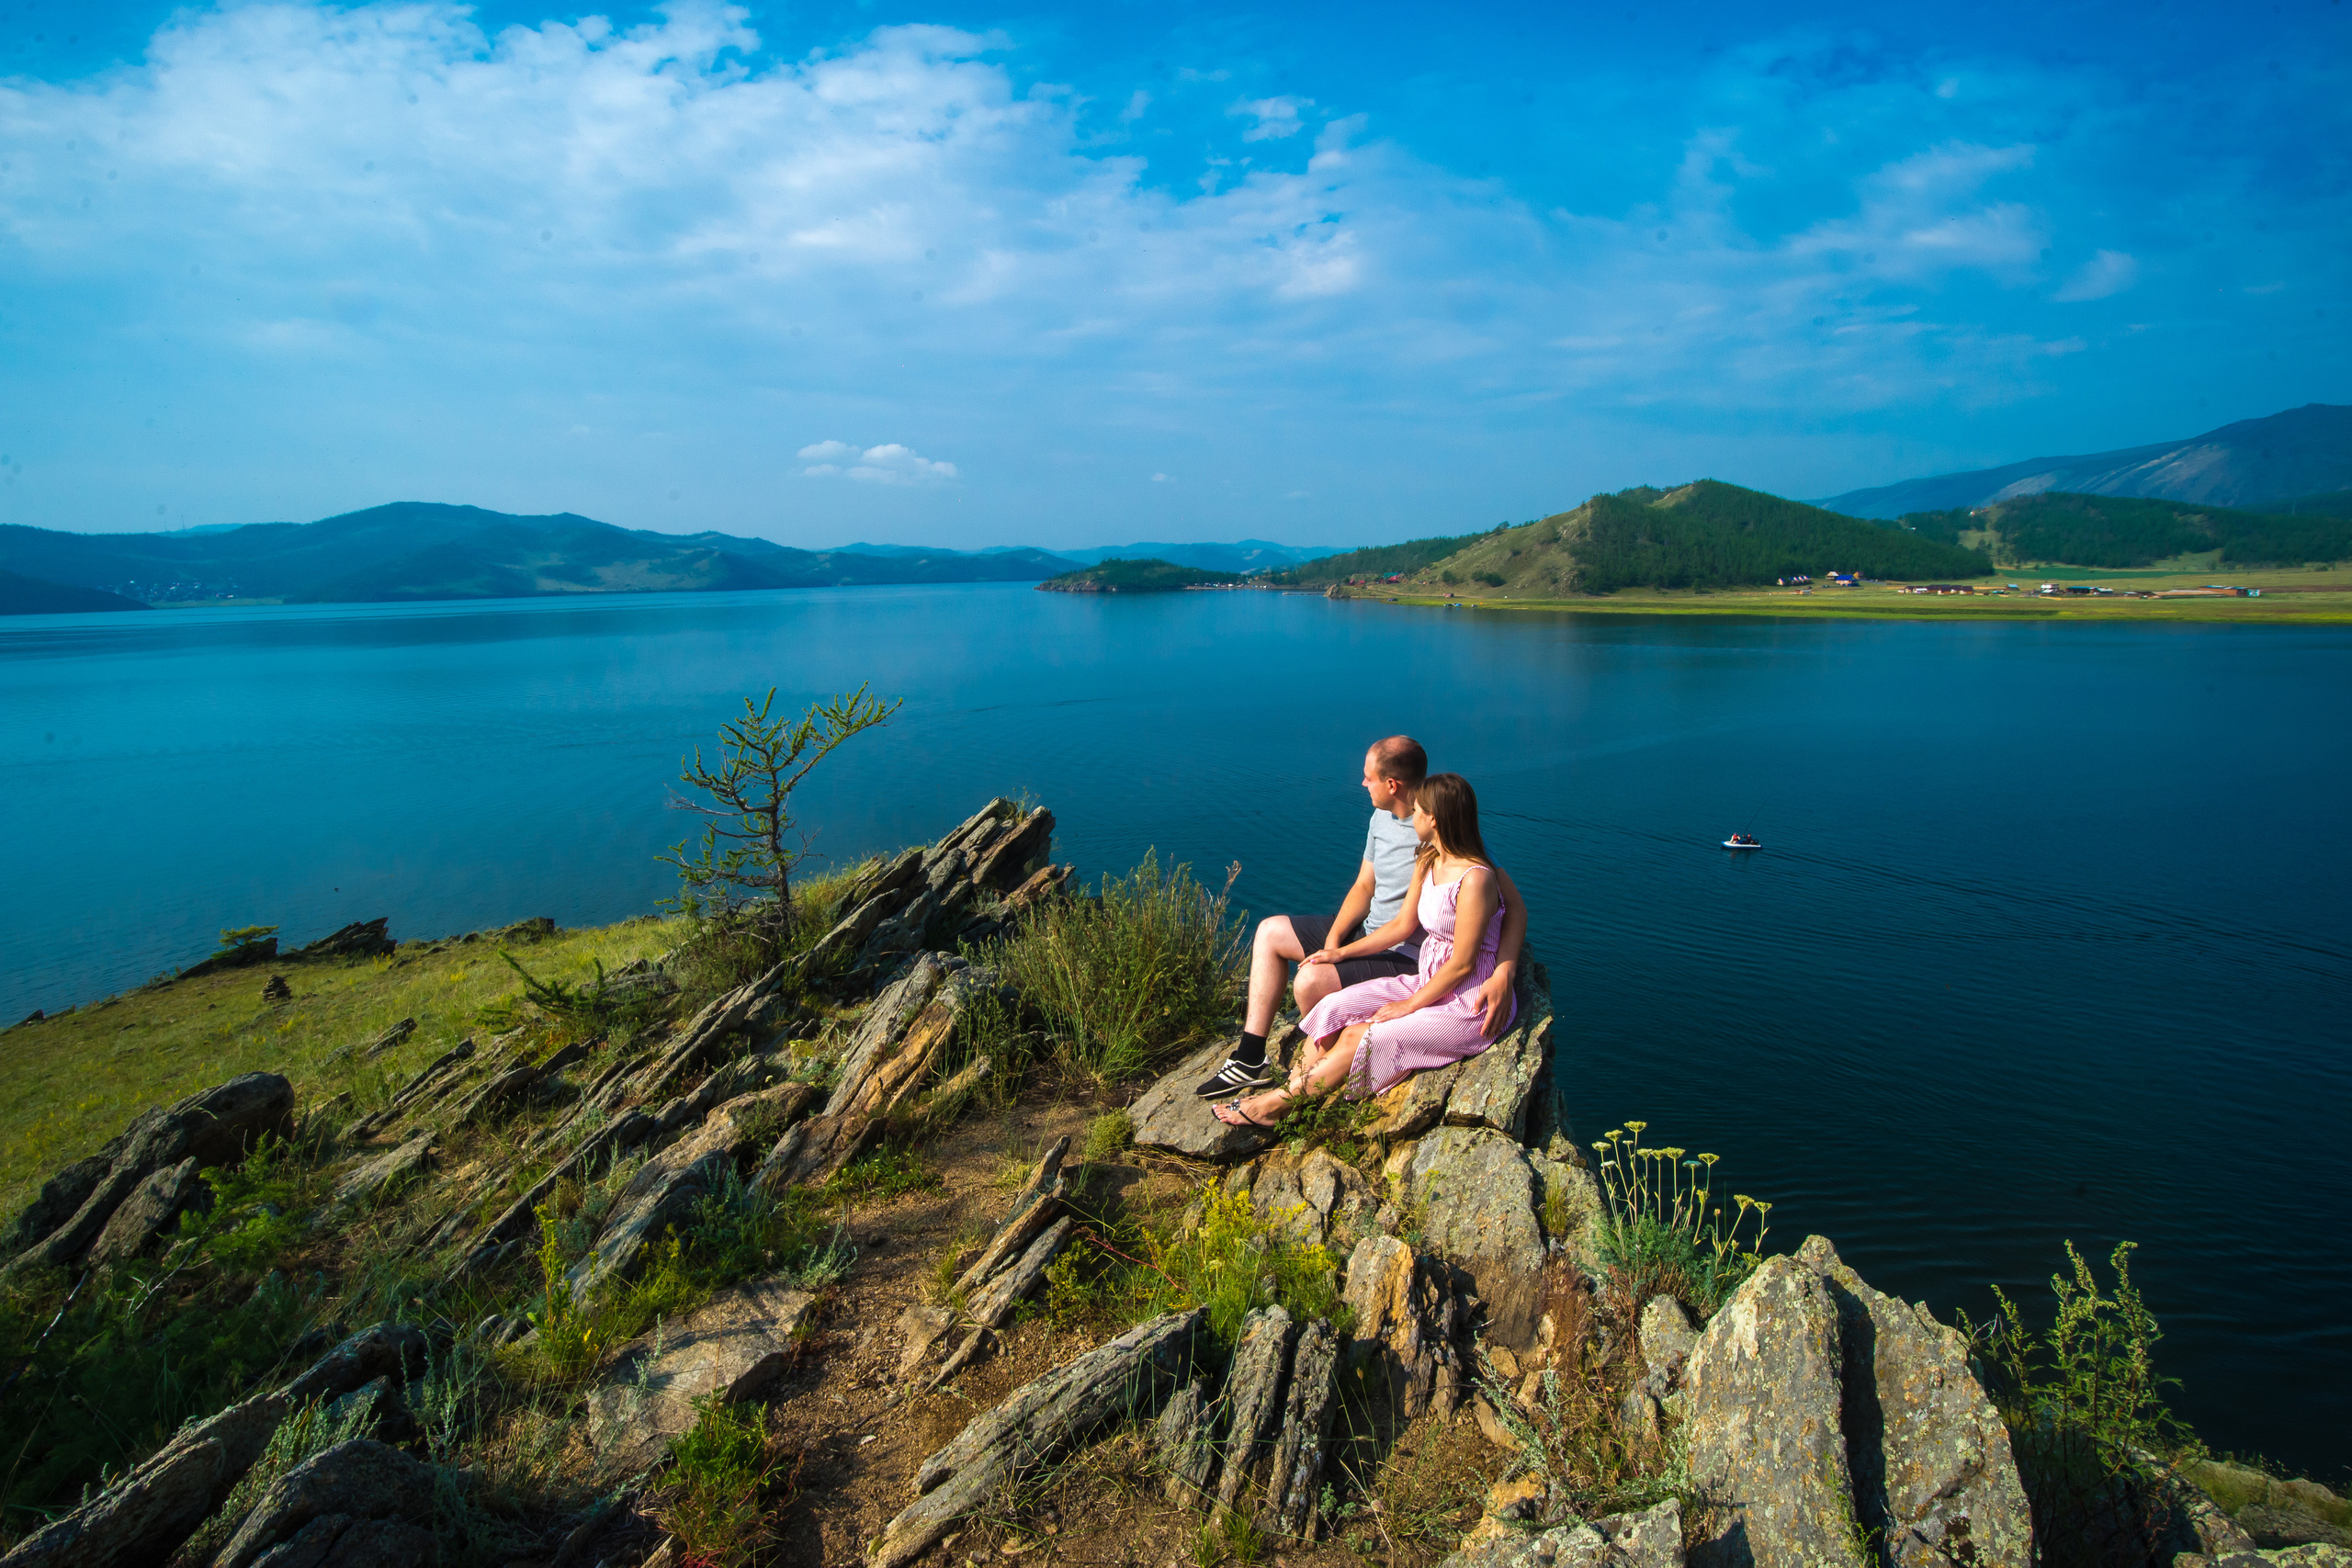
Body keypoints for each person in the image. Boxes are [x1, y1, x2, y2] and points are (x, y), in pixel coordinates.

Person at [1193, 738, 1526, 1099]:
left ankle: (1331, 1070)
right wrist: (1335, 942)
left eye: (1369, 778)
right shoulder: (1386, 821)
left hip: (1405, 955)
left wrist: (1504, 971)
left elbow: (1513, 909)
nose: (1362, 784)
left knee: (1308, 982)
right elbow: (1364, 886)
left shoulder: (1450, 841)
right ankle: (1250, 1058)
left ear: (1392, 784)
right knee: (1270, 931)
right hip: (1367, 933)